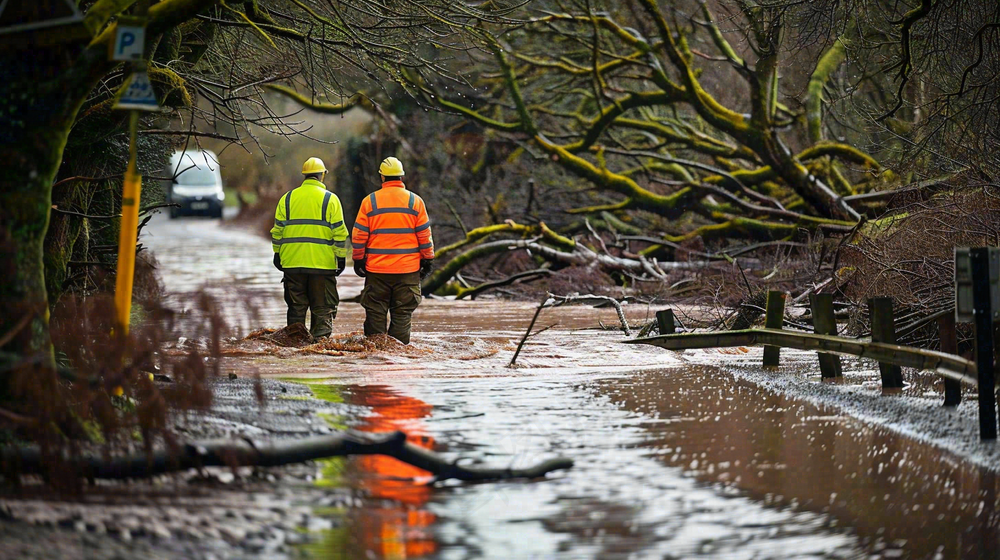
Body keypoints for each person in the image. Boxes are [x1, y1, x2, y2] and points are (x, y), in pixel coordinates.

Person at [351, 157, 434, 344]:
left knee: (375, 315)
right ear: (402, 177)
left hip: (377, 271)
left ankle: (376, 356)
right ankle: (399, 358)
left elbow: (359, 236)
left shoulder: (369, 201)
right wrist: (427, 259)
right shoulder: (415, 201)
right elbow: (424, 235)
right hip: (407, 271)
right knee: (402, 315)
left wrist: (358, 259)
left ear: (382, 177)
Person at [271, 157, 349, 339]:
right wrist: (341, 257)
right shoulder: (331, 199)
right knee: (322, 308)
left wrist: (277, 253)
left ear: (304, 176)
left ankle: (295, 345)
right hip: (322, 266)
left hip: (292, 264)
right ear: (322, 175)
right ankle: (320, 347)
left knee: (296, 309)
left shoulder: (287, 198)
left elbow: (277, 231)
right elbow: (339, 233)